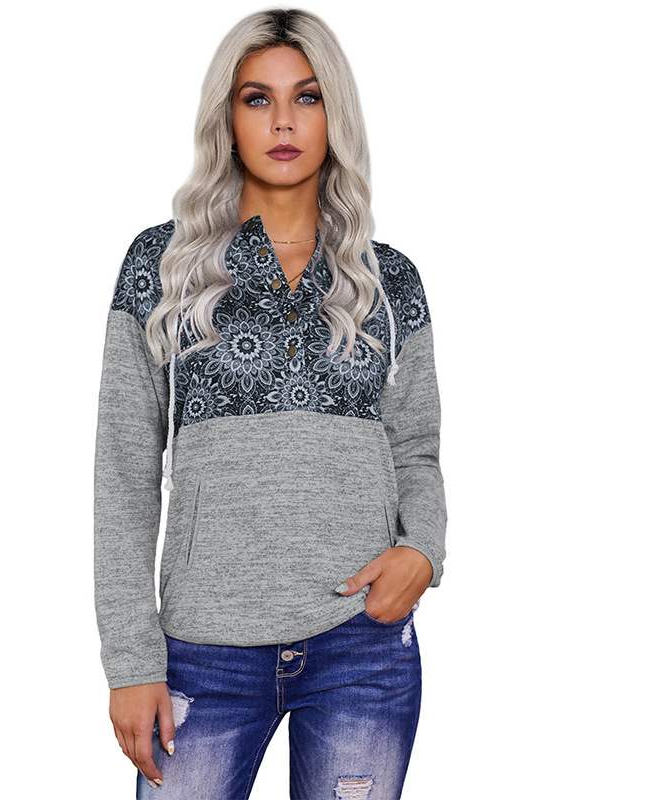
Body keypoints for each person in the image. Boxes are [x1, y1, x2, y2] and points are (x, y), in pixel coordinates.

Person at [94, 8, 448, 798]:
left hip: (361, 646)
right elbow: (123, 471)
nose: (283, 121)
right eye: (258, 98)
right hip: (202, 652)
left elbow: (416, 448)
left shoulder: (390, 280)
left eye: (307, 97)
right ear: (226, 117)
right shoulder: (163, 266)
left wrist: (423, 550)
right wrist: (129, 660)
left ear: (335, 115)